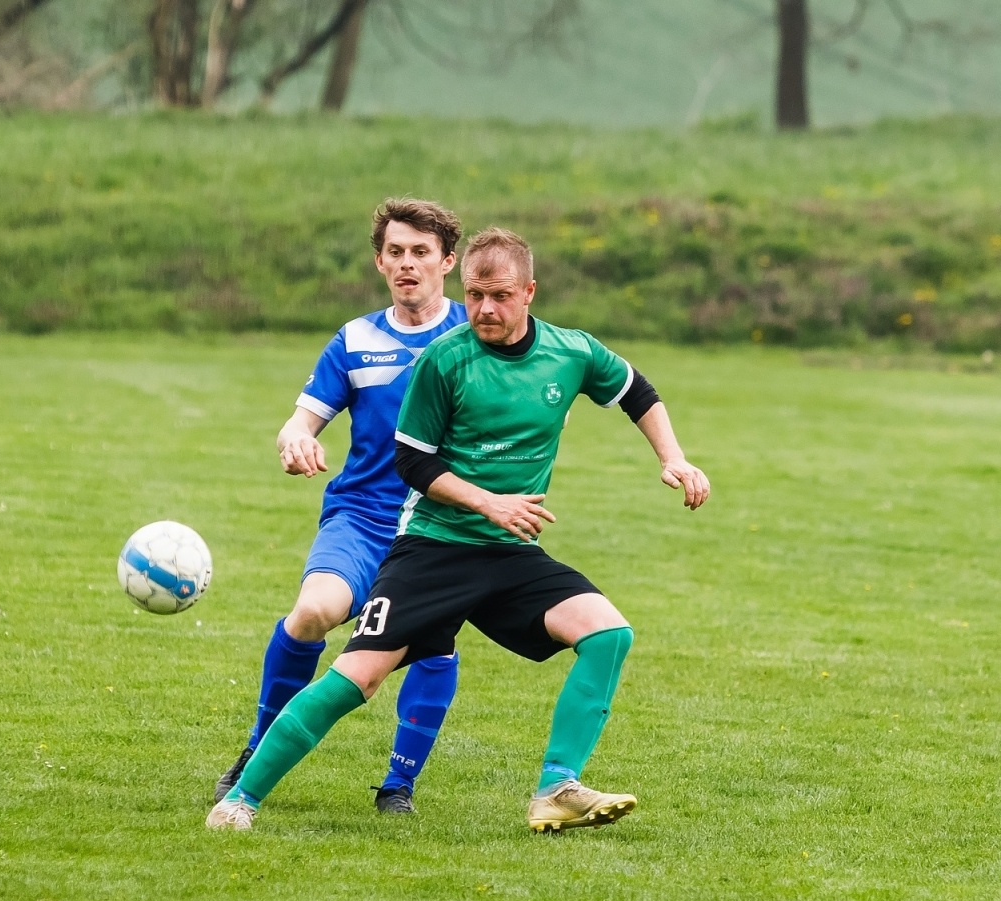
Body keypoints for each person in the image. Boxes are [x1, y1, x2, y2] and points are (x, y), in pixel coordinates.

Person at [208, 226, 710, 834]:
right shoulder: (444, 360)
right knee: (356, 680)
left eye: (500, 296)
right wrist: (489, 503)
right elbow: (411, 462)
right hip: (433, 549)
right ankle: (240, 800)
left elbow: (636, 391)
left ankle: (556, 788)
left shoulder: (571, 350)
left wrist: (673, 459)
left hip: (507, 554)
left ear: (529, 292)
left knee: (608, 634)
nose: (485, 309)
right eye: (475, 295)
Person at [213, 199, 468, 816]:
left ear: (448, 262)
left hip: (441, 526)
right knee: (312, 612)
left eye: (421, 252)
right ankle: (259, 746)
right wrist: (296, 440)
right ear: (380, 262)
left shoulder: (475, 334)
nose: (407, 264)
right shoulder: (356, 339)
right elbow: (299, 421)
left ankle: (398, 786)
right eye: (395, 252)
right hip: (362, 516)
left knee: (433, 645)